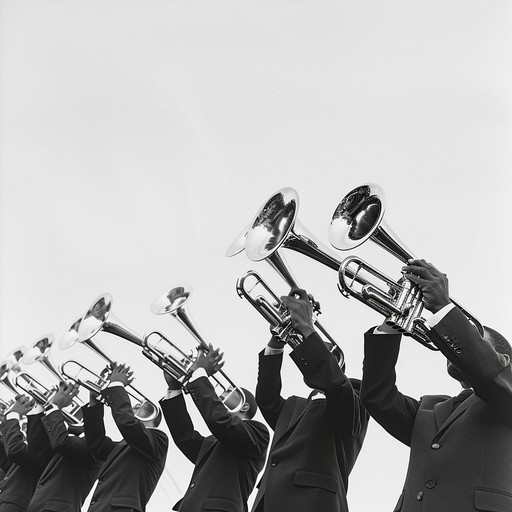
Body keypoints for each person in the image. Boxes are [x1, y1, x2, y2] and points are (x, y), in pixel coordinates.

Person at [361, 258, 512, 512]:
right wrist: (393, 321)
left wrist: (444, 308)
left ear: (504, 359)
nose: (452, 346)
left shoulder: (505, 387)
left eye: (476, 337)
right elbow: (377, 395)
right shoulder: (430, 407)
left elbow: (488, 372)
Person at [251, 288, 369, 512]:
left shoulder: (356, 394)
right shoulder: (295, 405)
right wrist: (278, 338)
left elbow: (334, 384)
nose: (305, 351)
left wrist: (306, 327)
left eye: (312, 348)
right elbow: (266, 399)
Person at [160, 345, 269, 512]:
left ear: (245, 406)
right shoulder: (214, 441)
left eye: (229, 392)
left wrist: (200, 374)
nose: (221, 395)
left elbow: (220, 421)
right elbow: (184, 437)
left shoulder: (259, 432)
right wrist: (174, 388)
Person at [82, 362, 168, 512]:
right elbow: (96, 444)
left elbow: (129, 425)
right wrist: (95, 403)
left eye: (145, 407)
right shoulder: (123, 446)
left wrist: (116, 386)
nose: (137, 406)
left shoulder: (159, 439)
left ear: (153, 416)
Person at [26, 381, 103, 512]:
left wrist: (54, 406)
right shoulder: (68, 442)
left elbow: (61, 443)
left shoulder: (94, 446)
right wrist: (41, 406)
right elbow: (37, 451)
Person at [0, 395, 53, 511]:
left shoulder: (53, 443)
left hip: (17, 505)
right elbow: (7, 461)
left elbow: (15, 451)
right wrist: (6, 424)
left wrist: (13, 415)